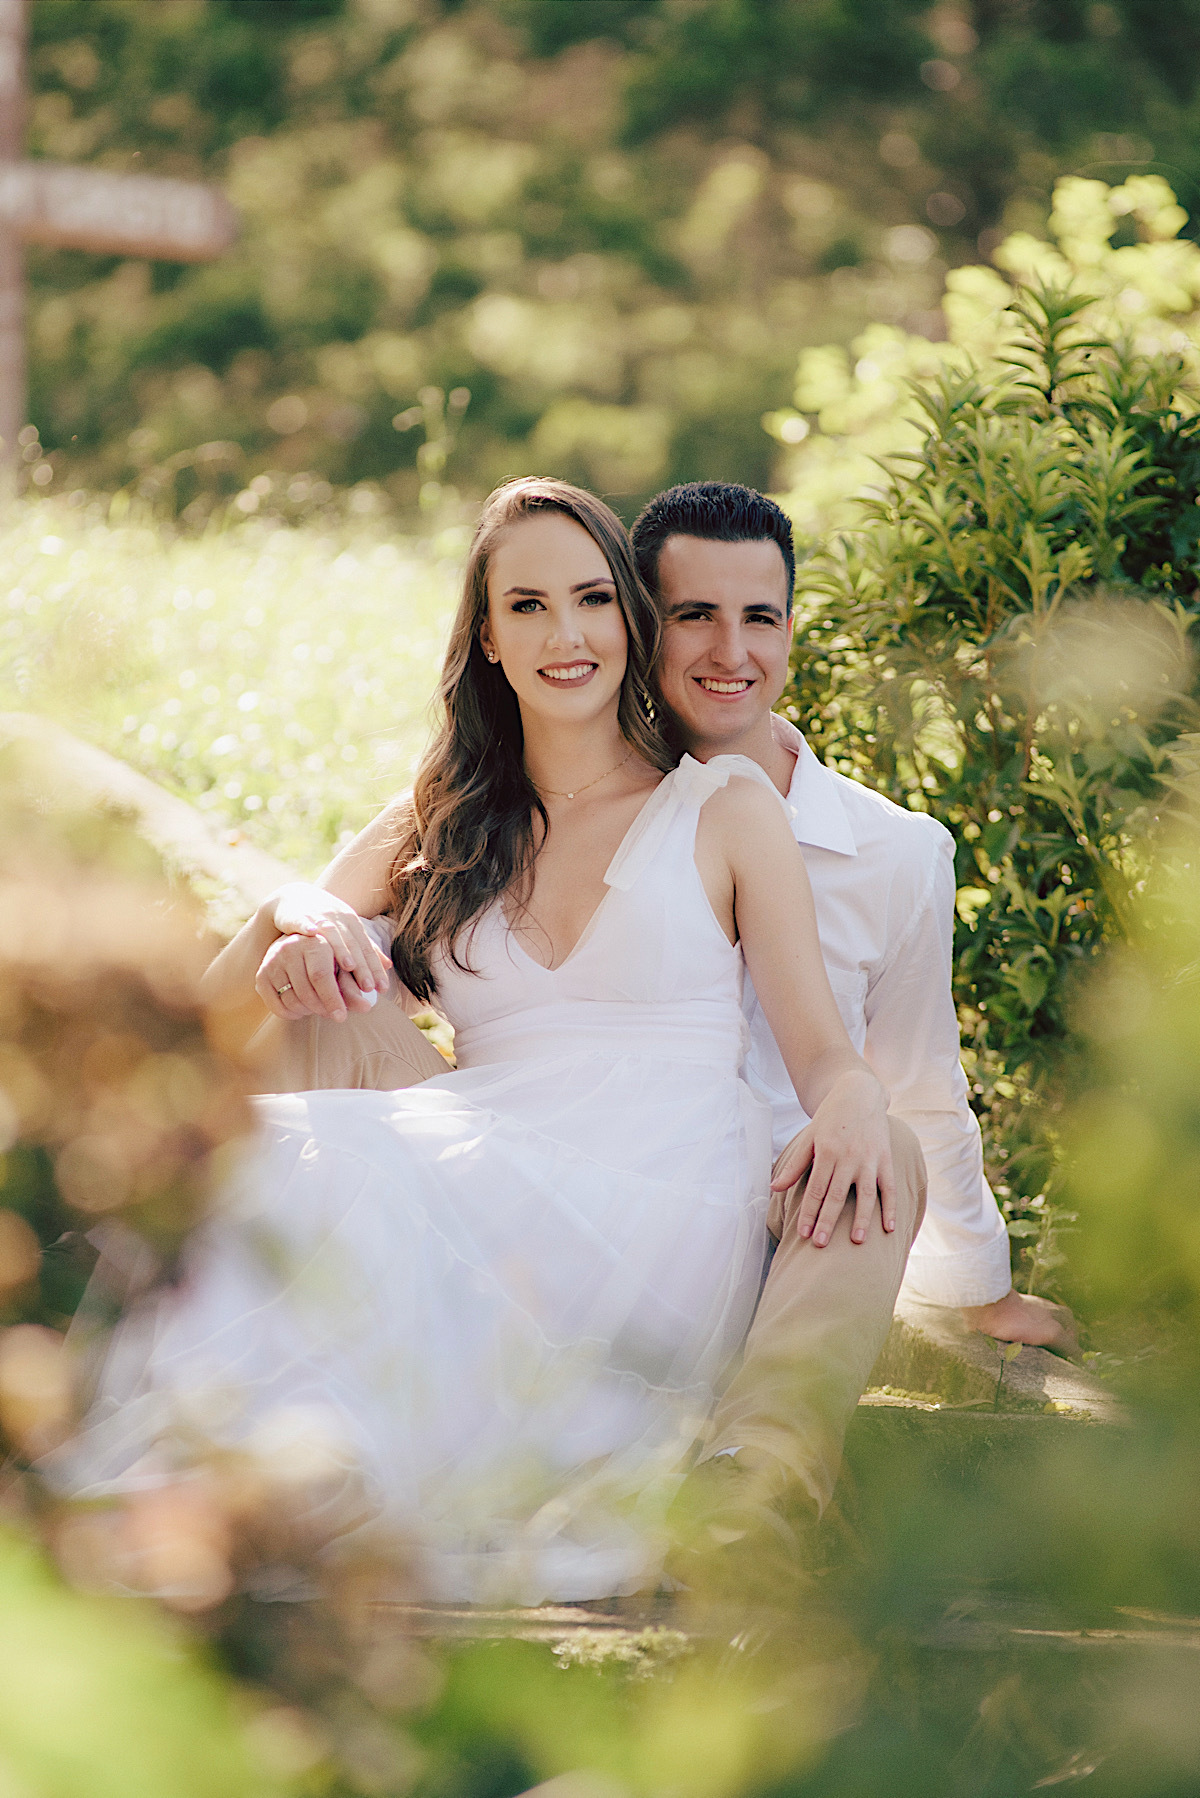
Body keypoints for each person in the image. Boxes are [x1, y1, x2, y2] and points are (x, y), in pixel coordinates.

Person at [52, 478, 917, 1605]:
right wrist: (291, 915)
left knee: (329, 1167)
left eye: (595, 600)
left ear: (630, 624)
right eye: (529, 605)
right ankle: (249, 1488)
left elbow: (821, 1050)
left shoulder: (722, 807)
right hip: (484, 1141)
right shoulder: (439, 821)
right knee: (273, 1149)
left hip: (660, 1187)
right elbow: (223, 1016)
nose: (568, 634)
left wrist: (854, 1097)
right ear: (490, 640)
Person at [628, 481, 1078, 1369]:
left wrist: (982, 1291)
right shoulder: (586, 813)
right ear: (643, 629)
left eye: (760, 617)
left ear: (791, 630)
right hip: (616, 1211)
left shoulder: (895, 853)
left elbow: (920, 1084)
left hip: (796, 1235)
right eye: (694, 616)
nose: (732, 651)